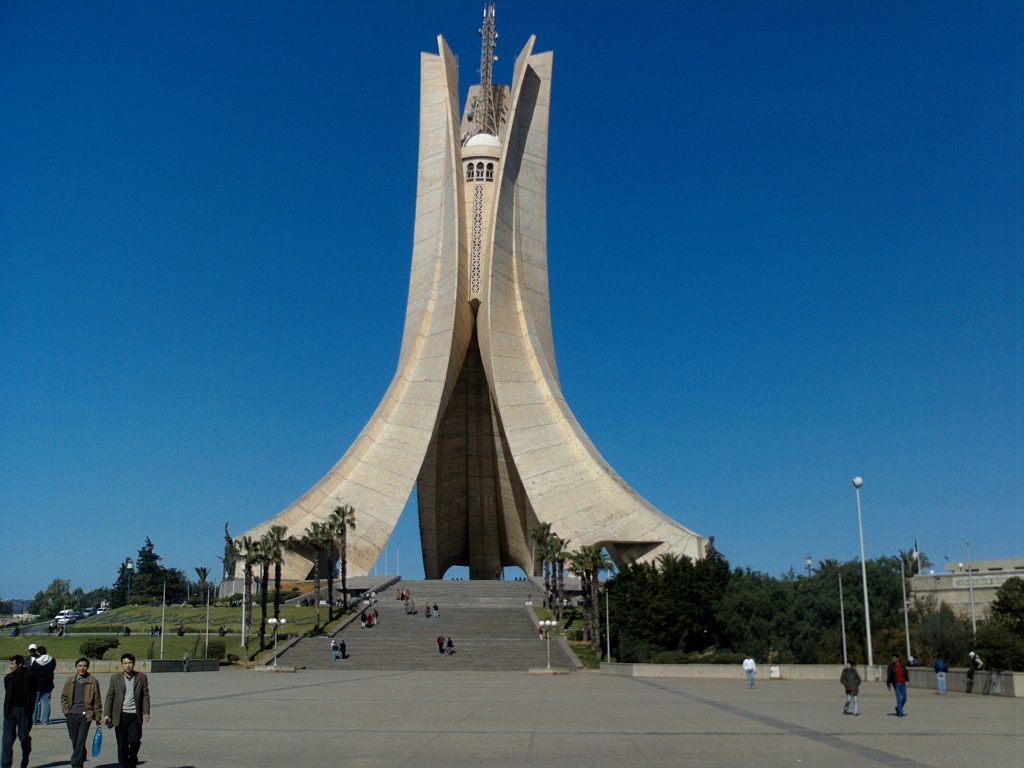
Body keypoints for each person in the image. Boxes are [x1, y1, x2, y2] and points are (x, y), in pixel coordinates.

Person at [103, 653, 151, 768]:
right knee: (122, 743)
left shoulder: (141, 677)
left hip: (135, 715)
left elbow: (145, 696)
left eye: (130, 663)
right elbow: (110, 696)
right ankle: (123, 763)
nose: (128, 665)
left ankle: (132, 757)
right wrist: (107, 714)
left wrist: (146, 712)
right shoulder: (115, 678)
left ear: (133, 664)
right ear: (122, 664)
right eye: (125, 663)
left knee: (134, 740)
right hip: (120, 715)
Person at [60, 657, 102, 768]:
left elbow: (97, 701)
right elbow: (64, 697)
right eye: (79, 666)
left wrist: (98, 717)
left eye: (84, 666)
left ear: (87, 667)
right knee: (74, 739)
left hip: (86, 715)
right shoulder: (70, 680)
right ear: (76, 667)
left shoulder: (93, 681)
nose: (82, 668)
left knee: (80, 739)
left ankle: (75, 763)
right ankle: (82, 754)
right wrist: (66, 711)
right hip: (71, 714)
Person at [3, 655, 36, 768]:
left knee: (23, 738)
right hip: (10, 711)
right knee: (7, 741)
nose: (11, 666)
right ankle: (5, 765)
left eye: (13, 664)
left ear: (20, 664)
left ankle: (25, 757)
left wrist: (30, 710)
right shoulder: (8, 678)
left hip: (24, 711)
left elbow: (33, 694)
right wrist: (7, 711)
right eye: (10, 664)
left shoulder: (30, 677)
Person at [28, 645, 55, 725]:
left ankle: (34, 720)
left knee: (36, 703)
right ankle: (45, 721)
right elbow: (53, 669)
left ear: (39, 652)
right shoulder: (52, 660)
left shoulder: (36, 662)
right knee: (46, 702)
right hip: (48, 684)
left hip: (37, 684)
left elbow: (32, 672)